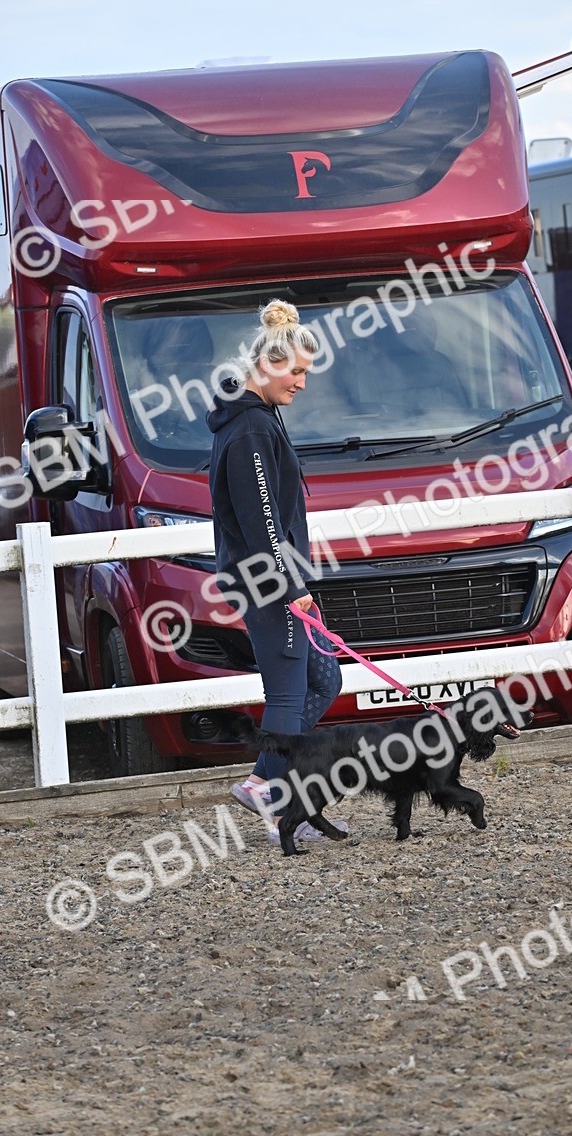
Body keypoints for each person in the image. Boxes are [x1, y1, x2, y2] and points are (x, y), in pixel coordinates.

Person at [206, 299, 346, 843]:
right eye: (297, 372)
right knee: (290, 690)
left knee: (324, 677)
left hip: (270, 578)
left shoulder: (256, 420)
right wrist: (291, 588)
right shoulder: (250, 431)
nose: (303, 384)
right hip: (269, 582)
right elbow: (261, 518)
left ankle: (265, 781)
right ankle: (275, 798)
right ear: (267, 366)